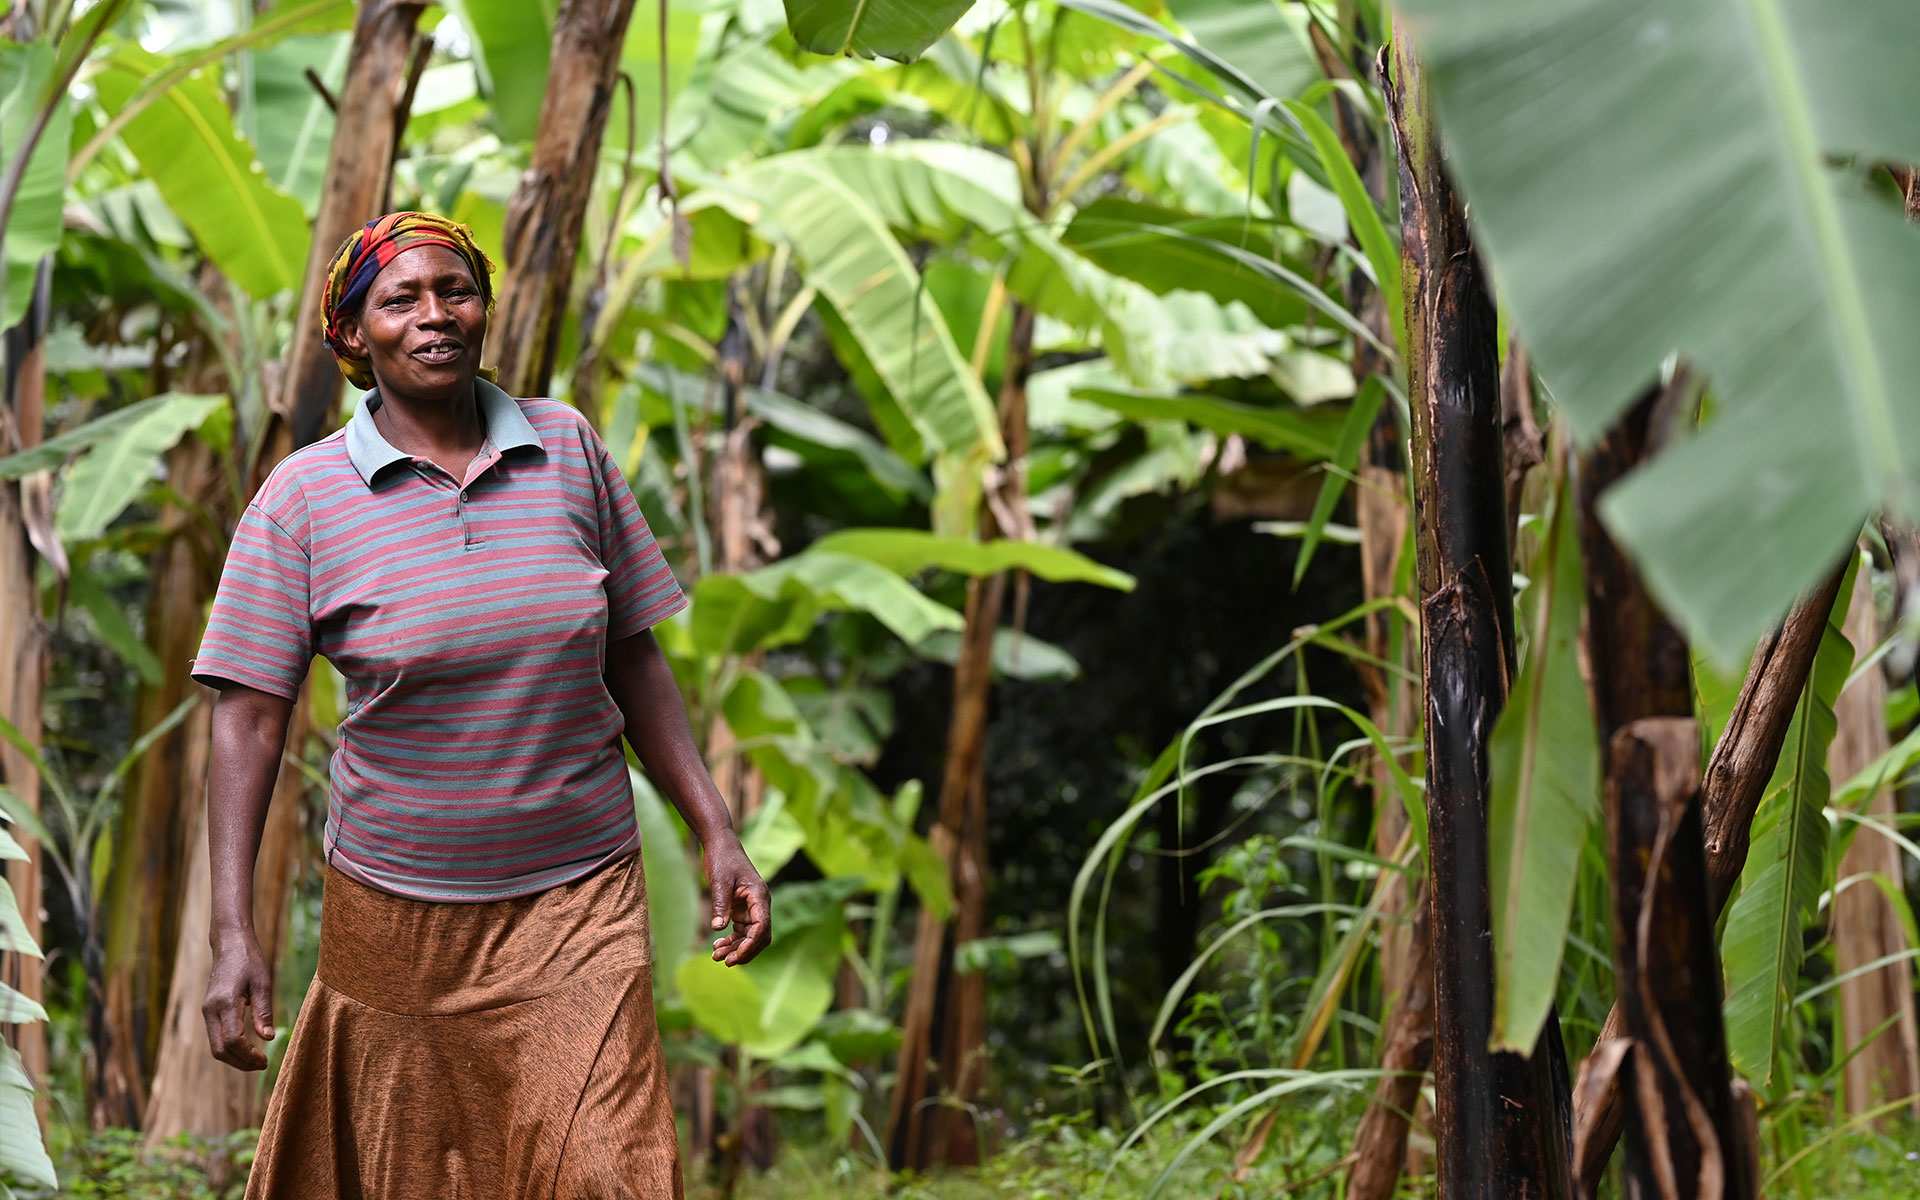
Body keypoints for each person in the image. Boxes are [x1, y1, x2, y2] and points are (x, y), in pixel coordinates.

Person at [187, 210, 771, 1199]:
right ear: (353, 335)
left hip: (580, 896)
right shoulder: (302, 499)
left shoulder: (569, 447)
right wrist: (231, 931)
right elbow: (247, 718)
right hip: (396, 919)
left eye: (454, 290)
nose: (434, 315)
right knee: (418, 1173)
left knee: (602, 1171)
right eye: (399, 299)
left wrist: (714, 827)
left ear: (486, 309)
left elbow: (634, 656)